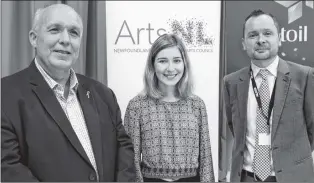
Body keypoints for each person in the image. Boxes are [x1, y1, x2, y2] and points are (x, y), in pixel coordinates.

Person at [1, 4, 136, 182]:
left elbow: (124, 149)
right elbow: (7, 167)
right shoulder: (5, 94)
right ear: (34, 38)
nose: (65, 40)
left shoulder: (103, 94)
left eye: (74, 32)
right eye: (55, 29)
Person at [222, 9, 314, 182]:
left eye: (267, 33)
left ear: (279, 38)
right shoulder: (231, 82)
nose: (261, 40)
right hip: (246, 177)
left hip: (292, 178)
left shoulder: (305, 77)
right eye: (253, 35)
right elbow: (234, 128)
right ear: (244, 43)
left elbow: (312, 129)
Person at [123, 34, 215, 182]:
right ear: (152, 65)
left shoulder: (196, 105)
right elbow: (131, 160)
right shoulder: (137, 106)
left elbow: (206, 158)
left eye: (177, 61)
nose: (170, 68)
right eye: (163, 61)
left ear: (184, 64)